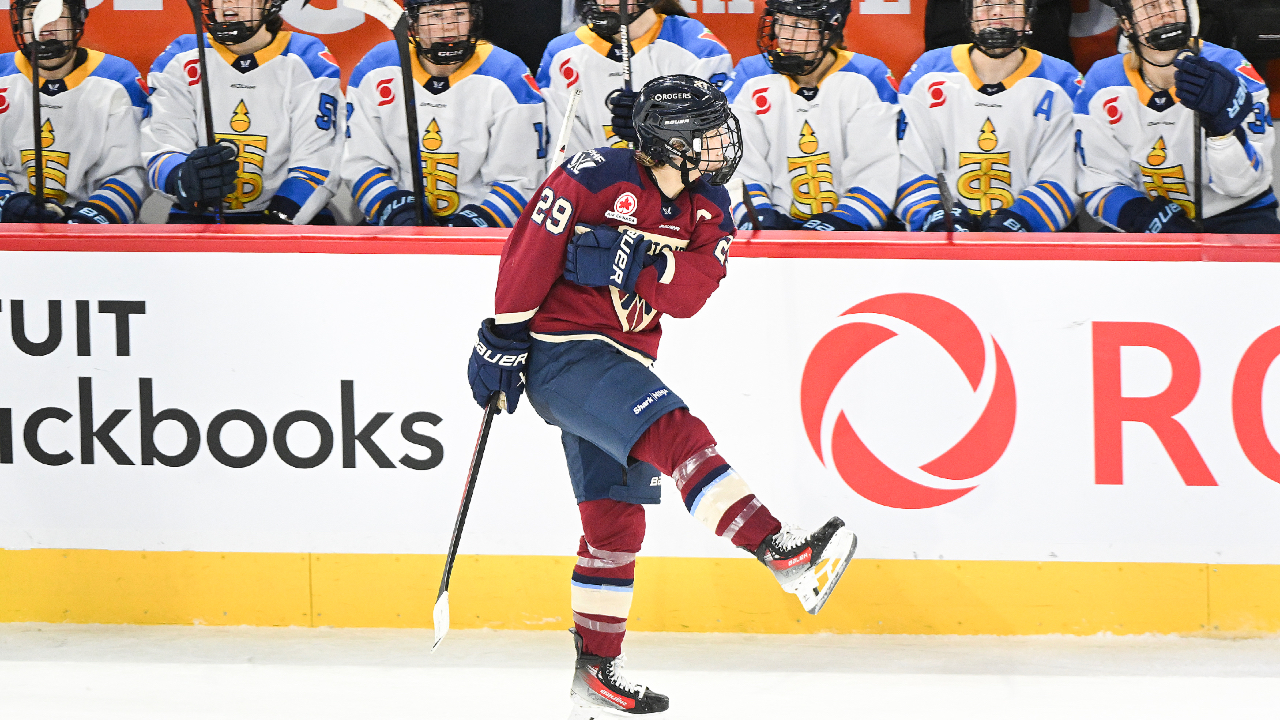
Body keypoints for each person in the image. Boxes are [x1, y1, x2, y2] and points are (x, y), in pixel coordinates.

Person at [465, 74, 858, 717]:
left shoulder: (710, 206)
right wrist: (504, 335)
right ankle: (779, 551)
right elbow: (530, 254)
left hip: (625, 361)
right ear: (671, 142)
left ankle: (595, 672)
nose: (722, 145)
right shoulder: (592, 176)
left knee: (614, 522)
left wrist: (635, 261)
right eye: (706, 135)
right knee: (678, 433)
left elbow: (692, 293)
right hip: (565, 358)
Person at [1076, 0, 1278, 233]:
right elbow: (1100, 182)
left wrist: (1222, 134)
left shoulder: (1231, 69)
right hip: (1147, 215)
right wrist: (1144, 217)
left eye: (1172, 3)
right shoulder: (1101, 83)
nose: (1166, 13)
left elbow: (1242, 186)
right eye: (1151, 7)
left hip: (1237, 214)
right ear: (1127, 23)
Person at [343, 0, 544, 228]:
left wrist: (472, 227)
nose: (449, 26)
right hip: (393, 226)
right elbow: (361, 161)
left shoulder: (507, 74)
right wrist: (396, 209)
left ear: (473, 17)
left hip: (481, 228)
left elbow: (520, 179)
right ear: (414, 22)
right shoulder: (376, 68)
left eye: (459, 13)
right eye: (435, 15)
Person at [141, 0, 343, 223]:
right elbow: (162, 146)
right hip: (201, 215)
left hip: (293, 220)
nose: (227, 2)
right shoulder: (181, 58)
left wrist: (277, 222)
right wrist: (182, 179)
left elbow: (317, 162)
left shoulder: (306, 60)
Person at [896, 0, 1083, 232]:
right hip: (943, 242)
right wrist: (936, 220)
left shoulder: (1061, 81)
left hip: (1031, 245)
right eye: (985, 3)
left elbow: (1064, 177)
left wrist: (1017, 223)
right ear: (970, 18)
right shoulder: (928, 73)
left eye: (1011, 3)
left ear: (1028, 18)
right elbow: (910, 166)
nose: (998, 12)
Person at [726, 0, 899, 232]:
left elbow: (877, 171)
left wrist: (842, 222)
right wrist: (758, 216)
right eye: (779, 21)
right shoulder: (750, 75)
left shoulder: (868, 76)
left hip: (849, 235)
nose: (784, 36)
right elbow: (738, 165)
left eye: (799, 25)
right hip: (771, 229)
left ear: (829, 29)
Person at [537, 0, 732, 171]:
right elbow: (565, 162)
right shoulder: (562, 55)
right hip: (597, 197)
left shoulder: (699, 51)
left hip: (676, 198)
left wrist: (663, 135)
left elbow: (720, 155)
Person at [0, 0, 147, 224]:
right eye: (31, 13)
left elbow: (129, 172)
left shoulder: (118, 79)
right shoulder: (3, 74)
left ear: (77, 20)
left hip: (92, 232)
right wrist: (9, 205)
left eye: (56, 14)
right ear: (19, 22)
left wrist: (91, 219)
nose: (44, 26)